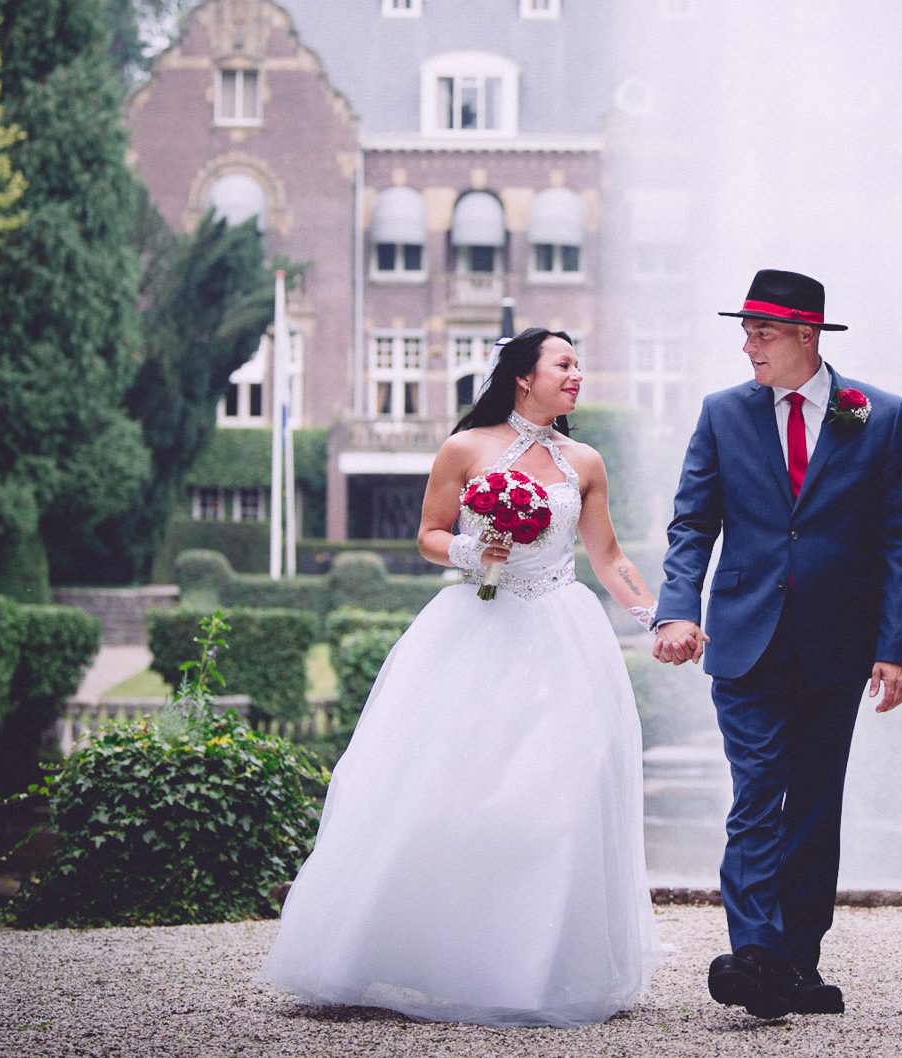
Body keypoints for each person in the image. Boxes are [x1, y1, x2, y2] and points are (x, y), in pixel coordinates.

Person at [258, 328, 665, 1027]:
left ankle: (537, 970)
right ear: (523, 376)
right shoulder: (465, 449)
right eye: (563, 365)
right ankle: (422, 951)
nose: (577, 376)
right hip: (479, 630)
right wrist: (476, 550)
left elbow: (608, 556)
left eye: (578, 366)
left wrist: (656, 617)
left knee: (562, 793)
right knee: (452, 790)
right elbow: (428, 535)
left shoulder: (585, 460)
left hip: (564, 634)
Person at [652, 268, 902, 1019]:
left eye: (760, 332)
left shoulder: (882, 416)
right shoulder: (722, 414)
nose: (747, 346)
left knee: (812, 805)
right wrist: (676, 610)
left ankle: (798, 962)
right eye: (744, 331)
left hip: (838, 644)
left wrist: (895, 647)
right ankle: (756, 952)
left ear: (807, 337)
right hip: (743, 638)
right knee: (756, 791)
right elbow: (691, 526)